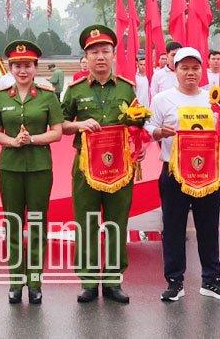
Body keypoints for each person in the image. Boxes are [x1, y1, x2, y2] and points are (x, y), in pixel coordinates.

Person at [146, 47, 220, 303]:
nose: (190, 73)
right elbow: (149, 125)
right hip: (174, 172)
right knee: (173, 228)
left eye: (195, 68)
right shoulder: (162, 99)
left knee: (208, 226)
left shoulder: (212, 99)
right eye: (184, 68)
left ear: (202, 70)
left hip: (207, 172)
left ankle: (211, 280)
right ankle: (175, 281)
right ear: (175, 70)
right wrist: (158, 132)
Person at [61, 25, 137, 304]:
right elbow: (61, 125)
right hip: (85, 168)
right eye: (94, 52)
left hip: (120, 167)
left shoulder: (128, 89)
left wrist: (137, 147)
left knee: (117, 221)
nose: (100, 57)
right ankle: (89, 281)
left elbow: (140, 123)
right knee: (87, 222)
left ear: (113, 55)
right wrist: (79, 124)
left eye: (105, 51)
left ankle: (114, 281)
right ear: (86, 57)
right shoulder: (74, 90)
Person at [0, 40, 63, 305]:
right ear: (10, 68)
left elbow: (56, 131)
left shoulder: (47, 96)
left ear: (35, 67)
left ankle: (34, 281)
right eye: (18, 65)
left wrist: (31, 139)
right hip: (9, 167)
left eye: (28, 65)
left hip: (39, 167)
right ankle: (15, 281)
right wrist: (13, 142)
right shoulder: (0, 96)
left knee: (37, 224)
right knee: (12, 223)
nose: (23, 70)